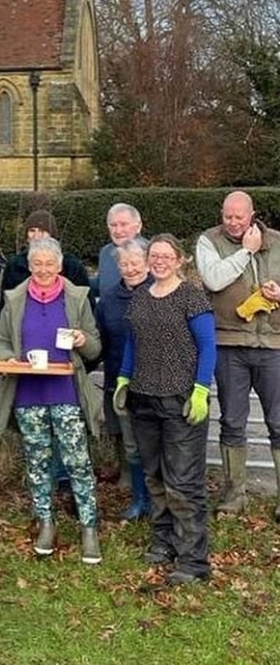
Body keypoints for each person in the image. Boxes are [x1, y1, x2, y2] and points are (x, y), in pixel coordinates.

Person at [0, 237, 102, 564]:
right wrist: (9, 358)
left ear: (60, 266)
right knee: (38, 464)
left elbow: (95, 348)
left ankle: (89, 528)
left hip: (65, 392)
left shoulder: (76, 297)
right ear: (29, 265)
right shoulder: (15, 299)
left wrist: (82, 340)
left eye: (49, 264)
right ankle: (46, 523)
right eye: (37, 264)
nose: (42, 270)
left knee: (77, 462)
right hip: (28, 394)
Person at [114, 234, 216, 585]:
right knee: (155, 476)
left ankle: (193, 561)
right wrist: (124, 380)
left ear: (179, 260)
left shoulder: (191, 296)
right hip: (143, 398)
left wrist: (201, 390)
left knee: (183, 482)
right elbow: (132, 341)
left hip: (180, 401)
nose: (158, 261)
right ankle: (164, 541)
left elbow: (208, 346)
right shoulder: (141, 295)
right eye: (153, 255)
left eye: (165, 256)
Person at [195, 190, 280, 518]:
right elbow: (214, 280)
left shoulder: (276, 241)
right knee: (232, 421)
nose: (232, 223)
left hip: (273, 344)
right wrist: (246, 251)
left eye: (239, 218)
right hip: (229, 343)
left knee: (278, 421)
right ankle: (235, 493)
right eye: (227, 216)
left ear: (252, 214)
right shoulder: (209, 241)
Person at [95, 237, 152, 520]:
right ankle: (139, 500)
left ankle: (161, 502)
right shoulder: (109, 300)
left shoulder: (160, 291)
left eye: (135, 262)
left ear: (147, 262)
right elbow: (99, 342)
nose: (130, 269)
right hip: (122, 383)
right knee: (132, 446)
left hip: (157, 385)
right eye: (124, 263)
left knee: (157, 446)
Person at [0, 210, 91, 307]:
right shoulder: (15, 265)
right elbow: (5, 304)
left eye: (42, 231)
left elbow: (86, 304)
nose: (37, 236)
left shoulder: (72, 266)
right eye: (32, 231)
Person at [93, 203, 143, 299]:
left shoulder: (151, 253)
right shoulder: (106, 252)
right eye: (113, 225)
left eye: (123, 224)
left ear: (138, 226)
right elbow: (102, 285)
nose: (118, 231)